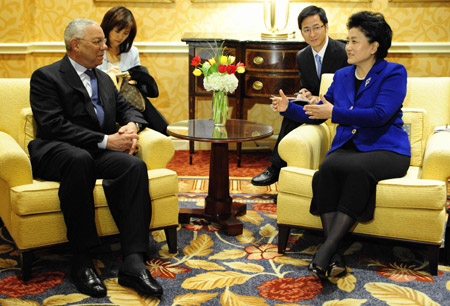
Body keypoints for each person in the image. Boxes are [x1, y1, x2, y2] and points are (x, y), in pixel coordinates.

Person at [271, 11, 411, 280]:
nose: (347, 46)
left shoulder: (393, 73)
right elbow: (319, 112)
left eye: (355, 41)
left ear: (374, 46)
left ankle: (326, 250)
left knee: (355, 169)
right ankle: (333, 255)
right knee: (328, 168)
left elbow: (380, 115)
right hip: (350, 147)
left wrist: (334, 113)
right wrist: (289, 109)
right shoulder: (344, 75)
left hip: (387, 149)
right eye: (347, 40)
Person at [28, 19, 163, 298]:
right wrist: (106, 140)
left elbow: (129, 109)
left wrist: (131, 126)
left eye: (103, 41)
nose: (105, 46)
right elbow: (54, 125)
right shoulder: (46, 76)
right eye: (98, 41)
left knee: (133, 166)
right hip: (57, 149)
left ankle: (133, 262)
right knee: (79, 160)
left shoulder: (103, 77)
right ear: (75, 45)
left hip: (94, 151)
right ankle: (82, 258)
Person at [252, 5, 348, 187]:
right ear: (301, 33)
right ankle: (281, 172)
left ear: (326, 27)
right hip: (315, 105)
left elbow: (345, 89)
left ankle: (275, 167)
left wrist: (320, 99)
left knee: (291, 111)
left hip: (335, 107)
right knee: (293, 104)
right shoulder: (302, 56)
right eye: (306, 29)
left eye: (317, 27)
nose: (312, 33)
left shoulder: (343, 52)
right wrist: (306, 93)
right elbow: (308, 86)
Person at [98, 6, 168, 135]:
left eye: (126, 33)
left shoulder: (132, 52)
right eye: (117, 31)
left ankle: (161, 131)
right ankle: (161, 129)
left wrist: (131, 78)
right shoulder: (97, 49)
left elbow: (137, 77)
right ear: (108, 27)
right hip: (104, 99)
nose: (121, 37)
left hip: (128, 100)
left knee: (141, 104)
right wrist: (109, 76)